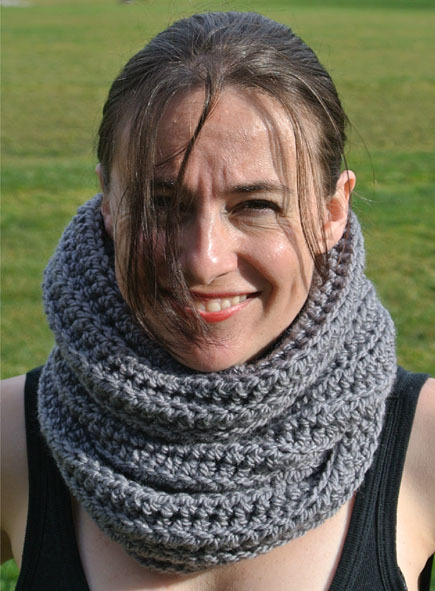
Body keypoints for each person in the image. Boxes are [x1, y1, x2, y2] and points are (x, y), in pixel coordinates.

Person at [1, 11, 434, 591]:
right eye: (161, 204)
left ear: (333, 210)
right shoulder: (12, 436)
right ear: (108, 200)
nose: (204, 262)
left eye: (256, 206)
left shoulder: (425, 443)